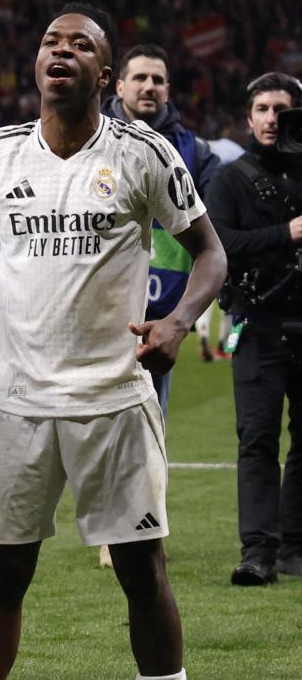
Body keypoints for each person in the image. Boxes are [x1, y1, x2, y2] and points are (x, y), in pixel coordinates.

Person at [0, 3, 225, 680]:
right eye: (49, 41)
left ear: (104, 73)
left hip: (115, 401)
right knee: (3, 574)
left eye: (80, 45)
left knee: (140, 568)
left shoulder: (144, 153)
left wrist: (180, 321)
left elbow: (209, 255)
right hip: (19, 405)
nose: (60, 52)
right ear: (37, 64)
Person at [204, 72, 302, 585]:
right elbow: (219, 246)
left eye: (281, 109)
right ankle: (258, 551)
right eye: (261, 109)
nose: (270, 119)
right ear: (248, 117)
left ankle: (295, 548)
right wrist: (285, 232)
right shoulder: (230, 179)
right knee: (258, 439)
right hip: (258, 322)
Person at [102, 43, 221, 414]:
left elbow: (215, 238)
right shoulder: (88, 139)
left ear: (168, 90)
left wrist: (178, 320)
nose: (149, 86)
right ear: (119, 86)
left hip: (157, 321)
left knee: (146, 444)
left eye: (158, 80)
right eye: (139, 78)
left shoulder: (196, 153)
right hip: (93, 311)